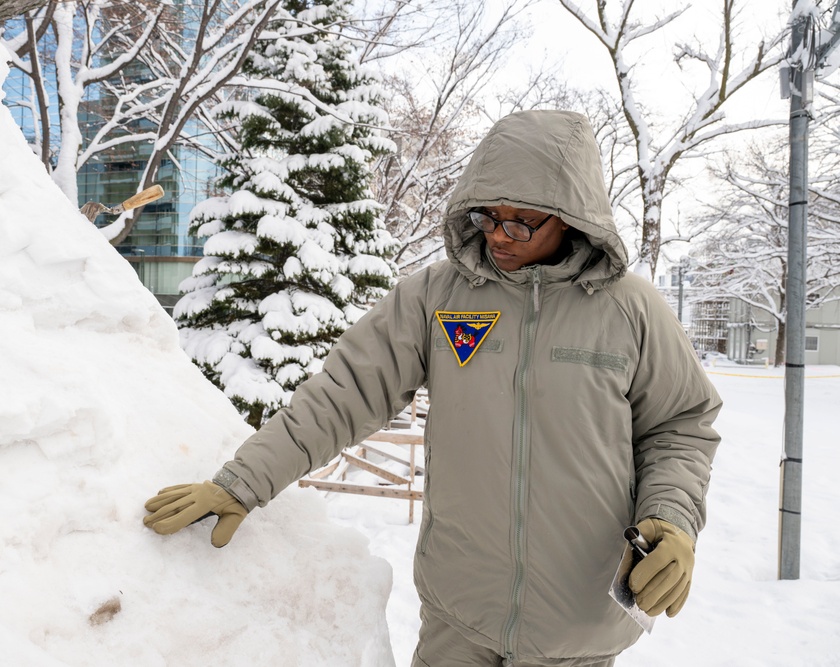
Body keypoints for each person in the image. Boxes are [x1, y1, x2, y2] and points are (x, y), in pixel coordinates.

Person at [143, 110, 722, 667]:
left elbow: (680, 427)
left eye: (521, 221)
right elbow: (345, 393)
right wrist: (244, 480)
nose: (500, 235)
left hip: (580, 620)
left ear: (572, 217)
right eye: (488, 216)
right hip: (457, 617)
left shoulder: (631, 309)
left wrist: (671, 516)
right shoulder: (438, 297)